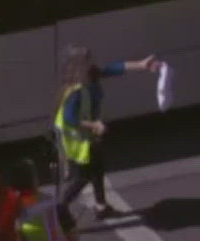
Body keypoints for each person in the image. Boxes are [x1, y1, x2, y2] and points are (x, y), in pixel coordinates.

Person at [54, 46, 160, 220]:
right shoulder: (76, 91)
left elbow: (114, 68)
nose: (91, 63)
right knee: (83, 177)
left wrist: (141, 65)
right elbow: (70, 119)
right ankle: (60, 208)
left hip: (87, 137)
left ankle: (101, 207)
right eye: (87, 60)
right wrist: (94, 125)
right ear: (79, 66)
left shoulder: (90, 75)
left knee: (97, 169)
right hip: (77, 141)